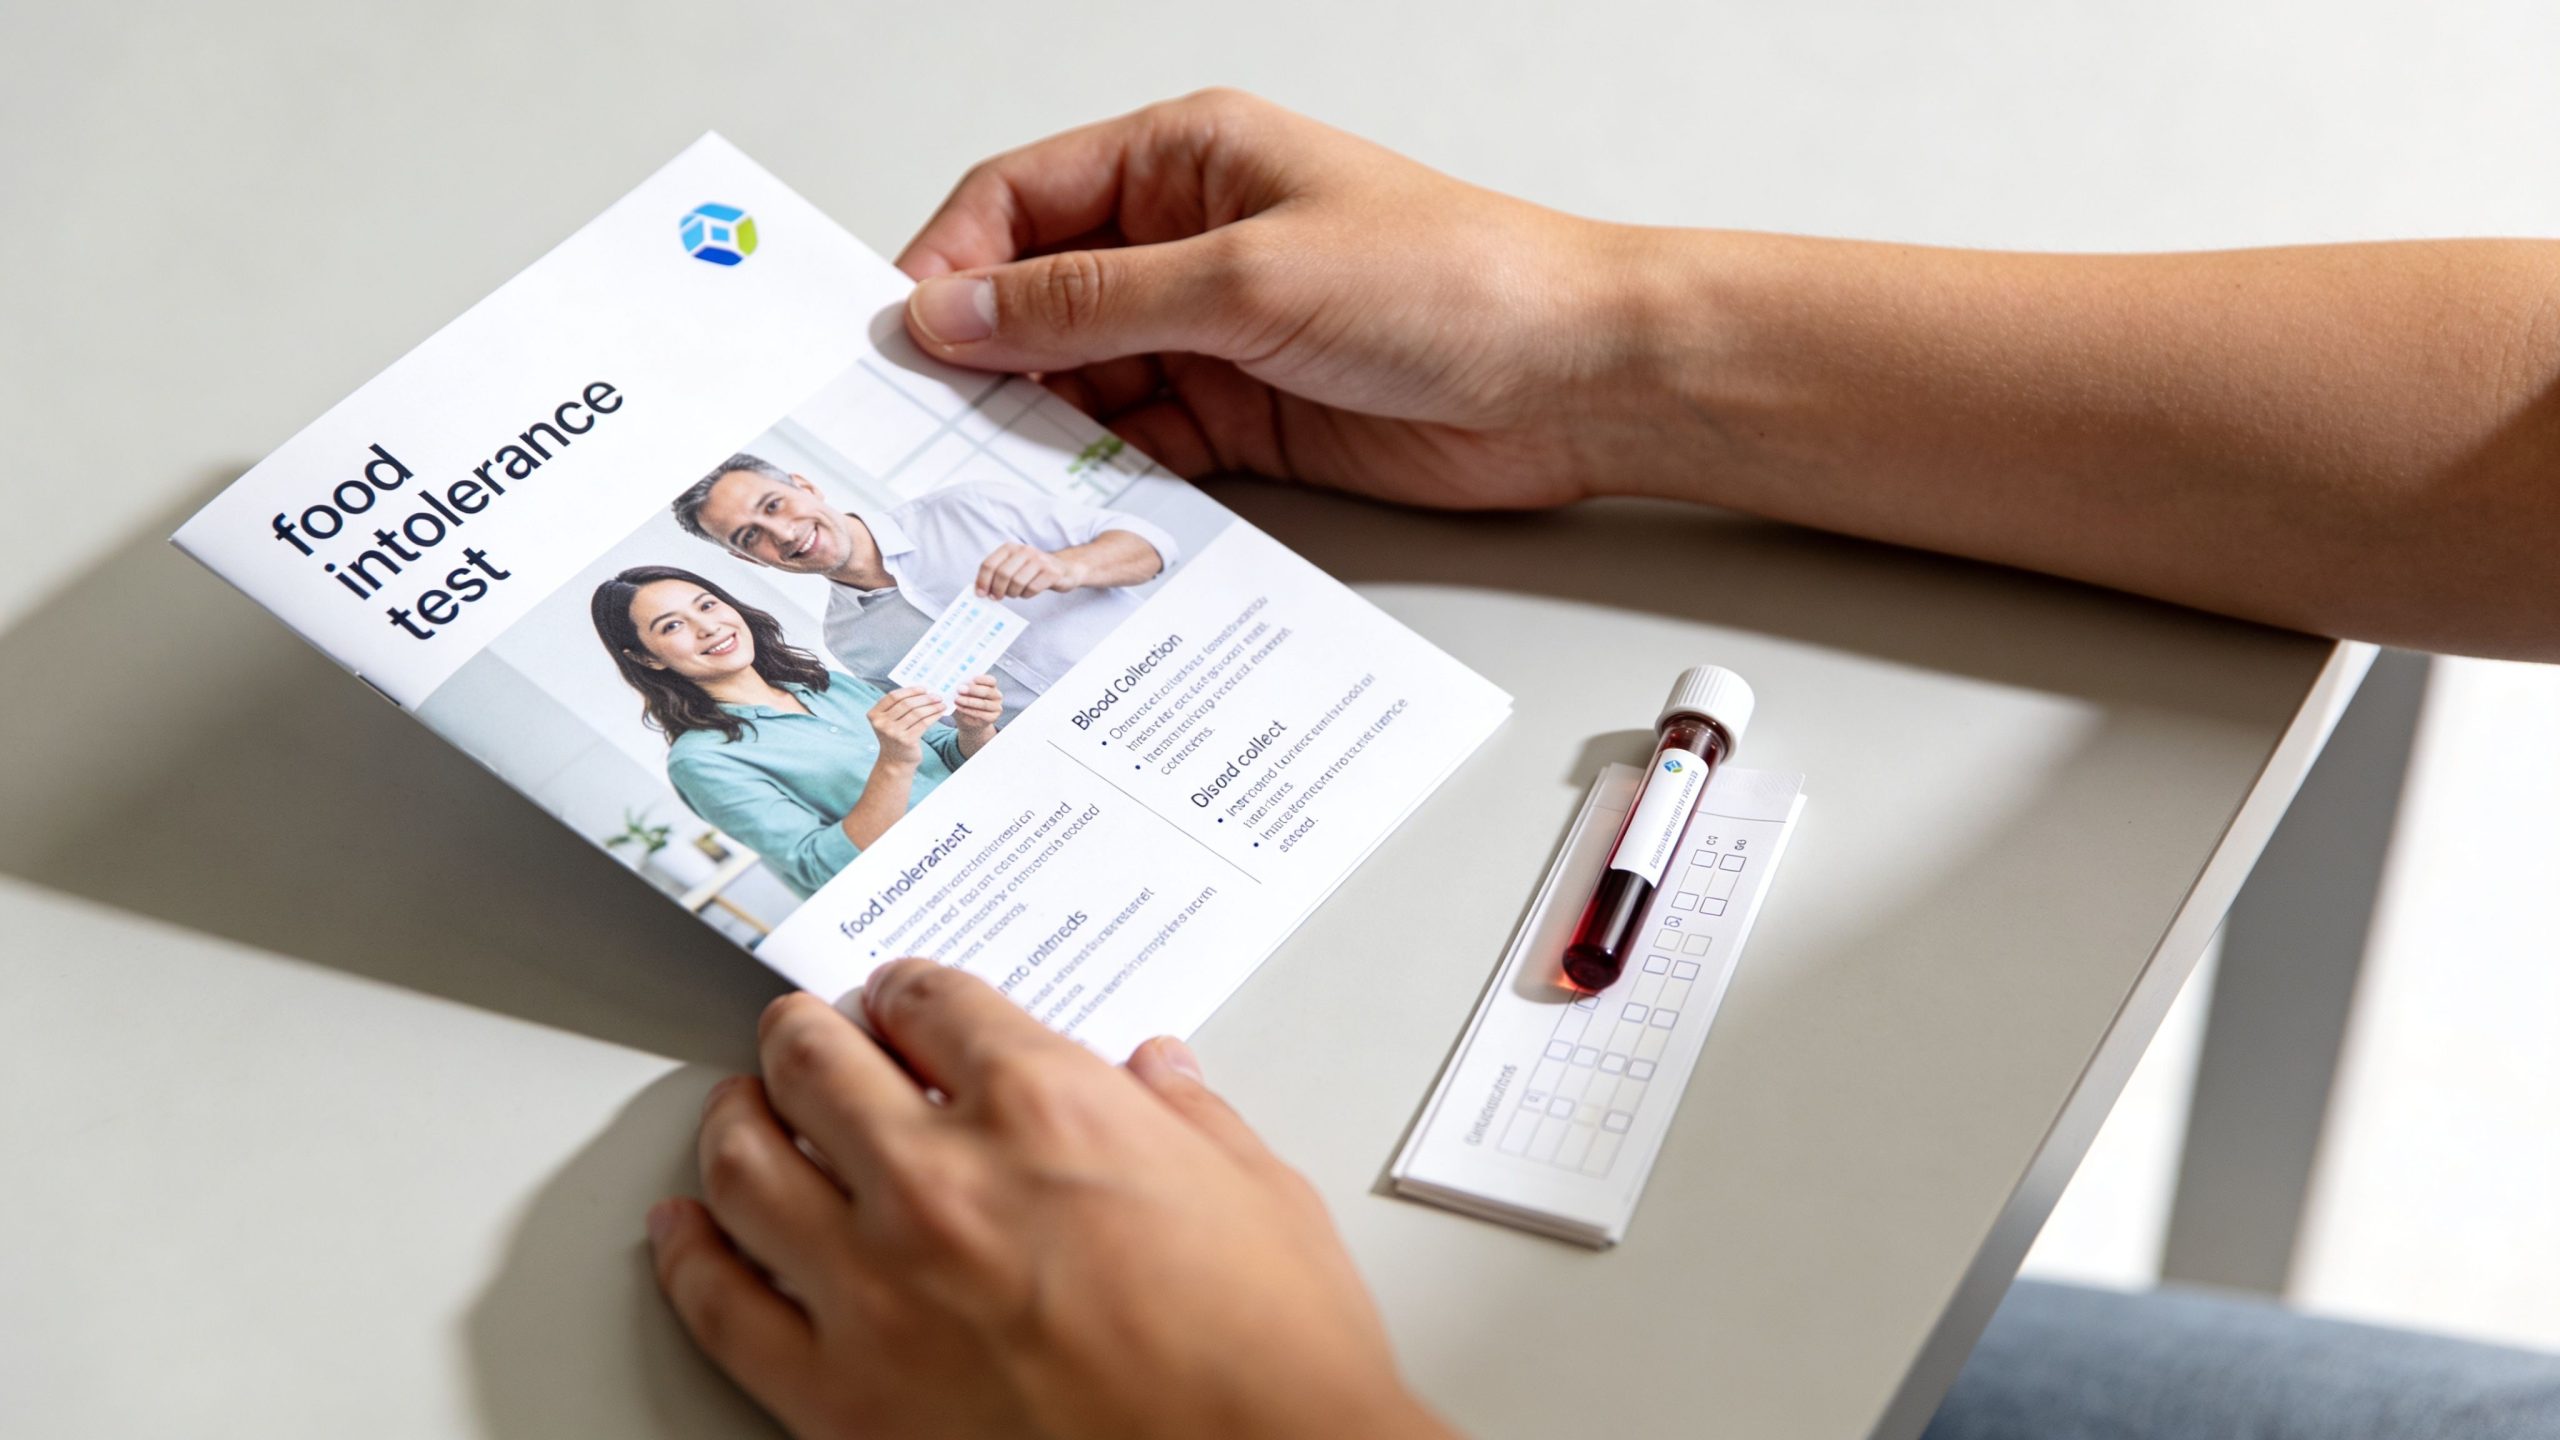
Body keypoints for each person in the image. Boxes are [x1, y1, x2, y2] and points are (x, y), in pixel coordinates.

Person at [642, 91, 2560, 1440]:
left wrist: (1228, 1413)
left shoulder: (964, 520)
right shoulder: (832, 662)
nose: (767, 554)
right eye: (728, 563)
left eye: (760, 524)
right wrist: (1596, 353)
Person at [672, 453, 1180, 727]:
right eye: (750, 537)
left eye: (774, 505)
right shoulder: (847, 641)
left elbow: (1155, 546)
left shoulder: (968, 506)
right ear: (746, 559)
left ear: (804, 486)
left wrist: (1070, 566)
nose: (782, 533)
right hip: (1081, 748)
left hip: (1168, 684)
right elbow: (962, 735)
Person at [592, 564, 1004, 899]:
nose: (708, 627)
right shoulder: (701, 761)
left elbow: (945, 754)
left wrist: (974, 728)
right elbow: (820, 866)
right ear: (646, 658)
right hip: (939, 894)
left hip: (1000, 838)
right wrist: (893, 763)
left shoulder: (826, 684)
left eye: (707, 605)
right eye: (671, 626)